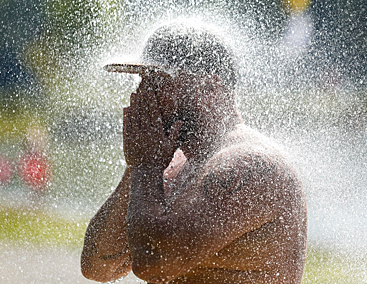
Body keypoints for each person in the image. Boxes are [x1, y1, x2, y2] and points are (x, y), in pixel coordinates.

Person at [81, 22, 307, 284]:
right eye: (142, 81)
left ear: (211, 88)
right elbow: (97, 267)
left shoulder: (251, 164)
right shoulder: (169, 165)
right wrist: (137, 166)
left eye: (157, 81)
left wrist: (145, 165)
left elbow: (154, 263)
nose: (143, 94)